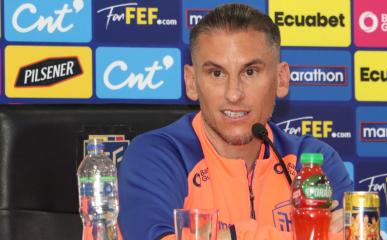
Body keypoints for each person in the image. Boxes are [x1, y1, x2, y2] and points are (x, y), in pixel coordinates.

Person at [118, 3, 353, 240]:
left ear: (281, 80)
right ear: (191, 82)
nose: (233, 94)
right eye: (217, 73)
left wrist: (226, 236)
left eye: (250, 72)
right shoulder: (159, 156)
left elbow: (355, 234)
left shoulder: (311, 162)